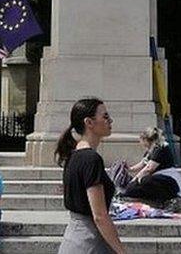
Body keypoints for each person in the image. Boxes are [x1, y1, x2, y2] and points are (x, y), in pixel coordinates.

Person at [56, 97, 126, 254]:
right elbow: (99, 216)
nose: (110, 121)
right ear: (89, 122)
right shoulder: (91, 159)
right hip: (89, 242)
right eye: (105, 117)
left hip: (76, 239)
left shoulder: (73, 156)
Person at [122, 127, 181, 206]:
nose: (140, 143)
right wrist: (129, 168)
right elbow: (142, 164)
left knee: (145, 181)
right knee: (133, 189)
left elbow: (149, 169)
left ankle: (167, 199)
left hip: (168, 180)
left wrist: (134, 180)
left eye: (141, 141)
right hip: (158, 178)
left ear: (145, 140)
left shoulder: (160, 148)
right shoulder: (150, 151)